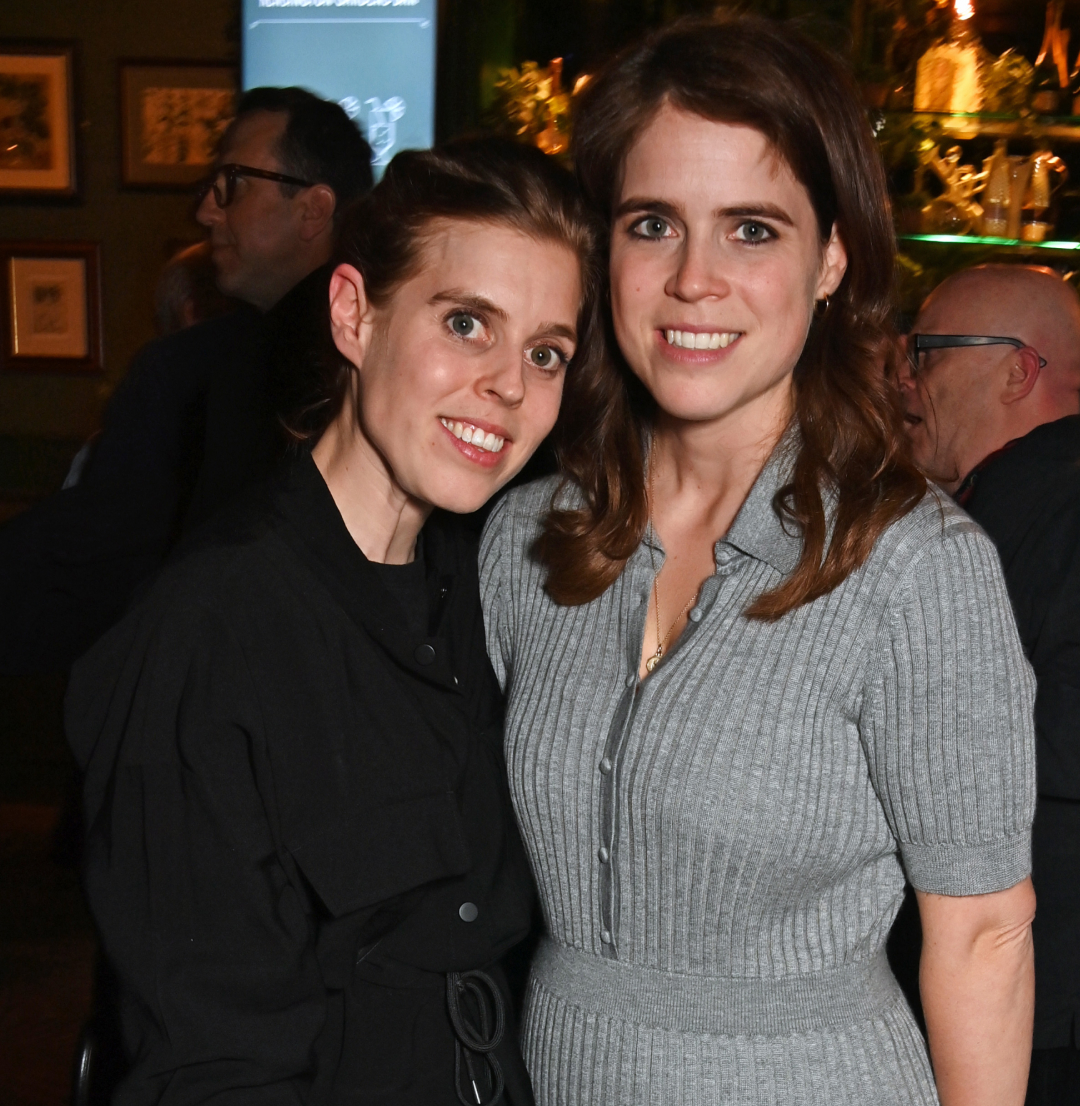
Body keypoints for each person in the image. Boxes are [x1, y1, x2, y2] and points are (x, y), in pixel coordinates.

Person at [480, 15, 1037, 1106]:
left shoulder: (916, 570)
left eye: (751, 230)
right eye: (653, 224)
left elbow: (983, 933)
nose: (695, 279)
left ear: (831, 257)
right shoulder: (526, 539)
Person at [64, 138, 601, 1106]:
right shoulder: (210, 631)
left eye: (545, 352)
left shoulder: (491, 592)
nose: (510, 385)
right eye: (466, 323)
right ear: (354, 313)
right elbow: (214, 1063)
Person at [0, 87, 372, 674]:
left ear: (313, 209)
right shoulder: (371, 355)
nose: (206, 212)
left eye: (233, 184)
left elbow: (96, 555)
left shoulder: (203, 368)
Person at [899, 264, 1080, 1106]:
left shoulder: (1040, 504)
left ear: (1018, 370)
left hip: (1032, 1003)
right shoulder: (1002, 500)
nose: (905, 378)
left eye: (929, 352)